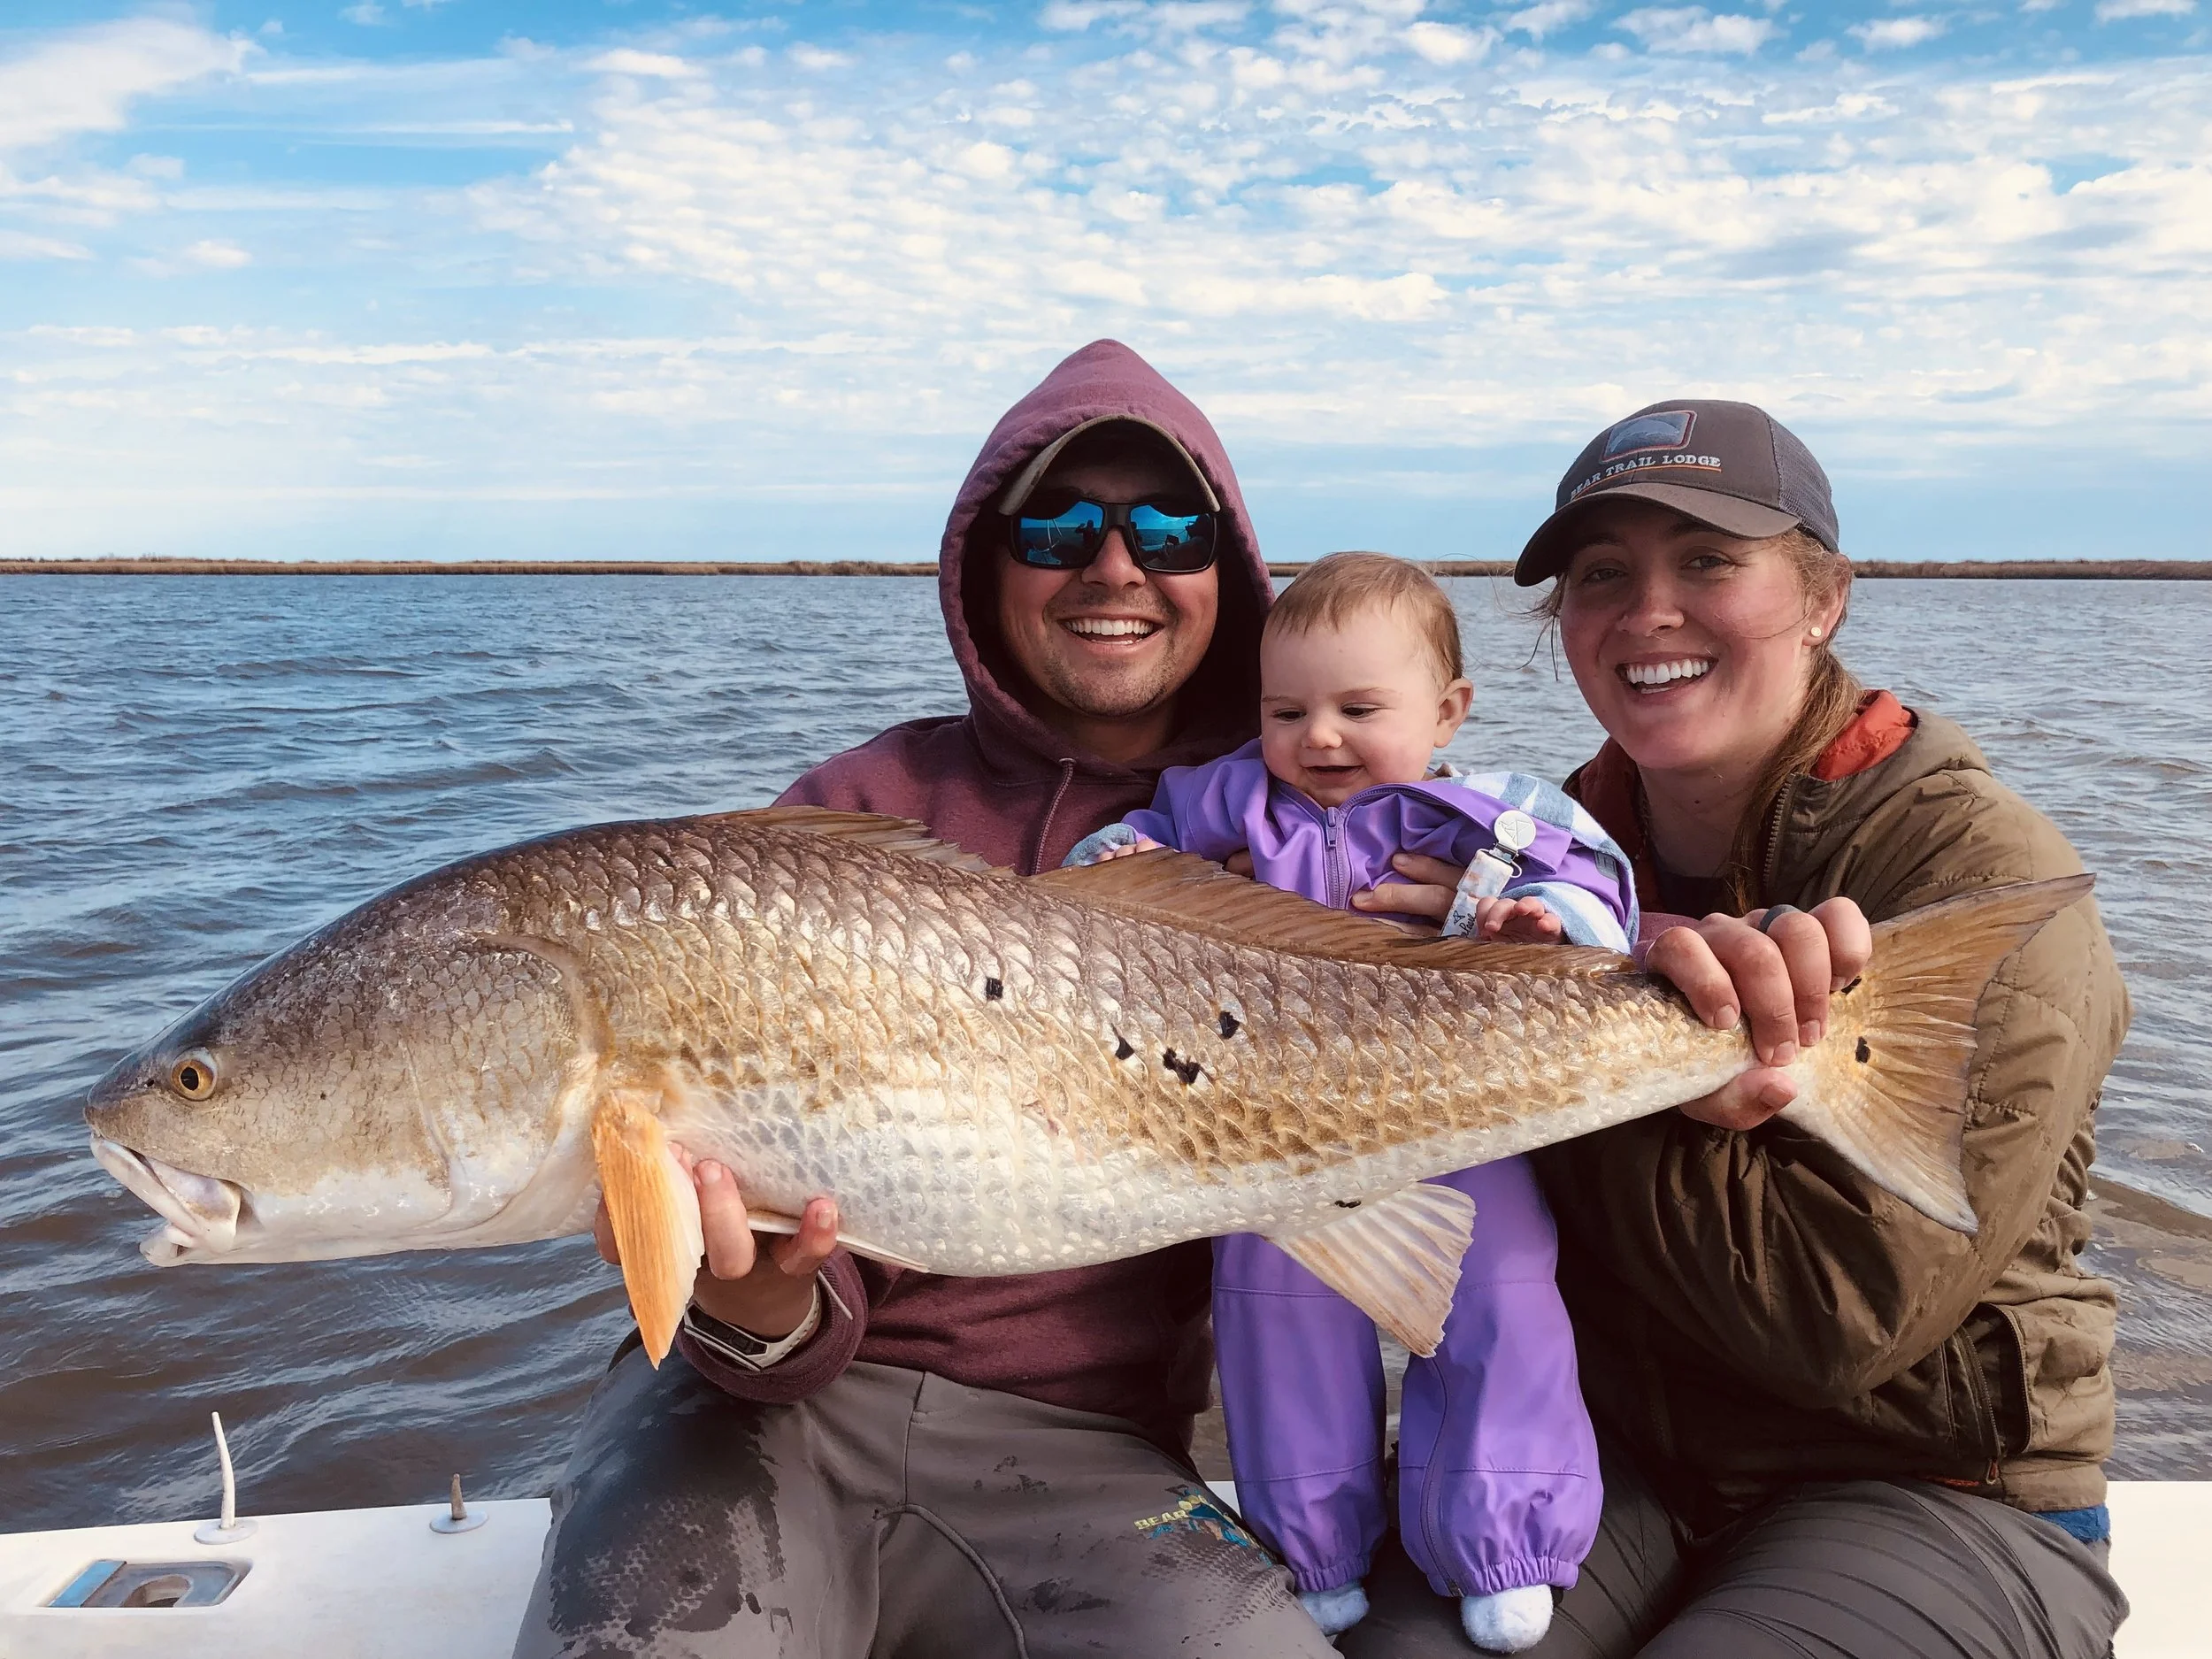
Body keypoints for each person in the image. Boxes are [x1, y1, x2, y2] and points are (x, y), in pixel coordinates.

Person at [510, 346, 1873, 1657]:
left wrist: (1657, 969)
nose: (1116, 565)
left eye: (1167, 525)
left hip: (1092, 1449)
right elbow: (732, 1257)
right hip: (746, 1418)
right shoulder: (849, 812)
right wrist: (756, 1308)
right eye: (1056, 527)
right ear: (983, 565)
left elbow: (1548, 904)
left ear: (1229, 568)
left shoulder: (1341, 787)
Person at [1344, 401, 2131, 1658]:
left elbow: (1834, 1320)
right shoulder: (1528, 856)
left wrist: (1584, 1028)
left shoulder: (1980, 869)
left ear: (1824, 598)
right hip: (1591, 1448)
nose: (1650, 609)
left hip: (1926, 1480)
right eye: (1605, 573)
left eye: (1709, 560)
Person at [1063, 552, 1626, 1652]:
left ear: (1448, 709)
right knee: (1278, 1330)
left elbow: (1598, 886)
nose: (1319, 738)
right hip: (1276, 1136)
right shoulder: (1225, 801)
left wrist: (1536, 918)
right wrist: (1112, 861)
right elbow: (1118, 866)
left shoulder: (1489, 810)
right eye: (1288, 711)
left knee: (1500, 1313)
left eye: (1358, 709)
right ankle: (1310, 1553)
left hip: (1463, 1115)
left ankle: (1502, 1542)